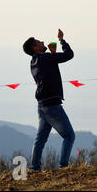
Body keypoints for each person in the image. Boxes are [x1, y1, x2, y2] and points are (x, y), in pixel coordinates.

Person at [22, 29, 75, 171]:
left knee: (40, 140)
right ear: (35, 48)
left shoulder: (34, 61)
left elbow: (49, 68)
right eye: (39, 42)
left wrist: (52, 54)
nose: (43, 42)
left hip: (42, 105)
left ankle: (35, 168)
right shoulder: (44, 58)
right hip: (52, 105)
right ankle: (64, 166)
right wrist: (62, 40)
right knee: (69, 136)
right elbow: (69, 55)